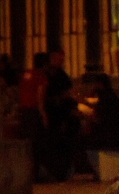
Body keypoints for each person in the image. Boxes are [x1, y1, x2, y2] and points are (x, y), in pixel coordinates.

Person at [43, 48, 78, 181]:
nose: (59, 62)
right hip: (50, 113)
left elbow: (69, 93)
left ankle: (61, 172)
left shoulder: (62, 76)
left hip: (61, 115)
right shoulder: (45, 74)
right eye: (57, 59)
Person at [18, 52, 49, 181]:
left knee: (26, 143)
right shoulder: (41, 77)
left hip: (23, 111)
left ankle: (26, 172)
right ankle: (34, 174)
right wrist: (43, 114)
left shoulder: (25, 74)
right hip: (33, 112)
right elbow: (39, 97)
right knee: (35, 144)